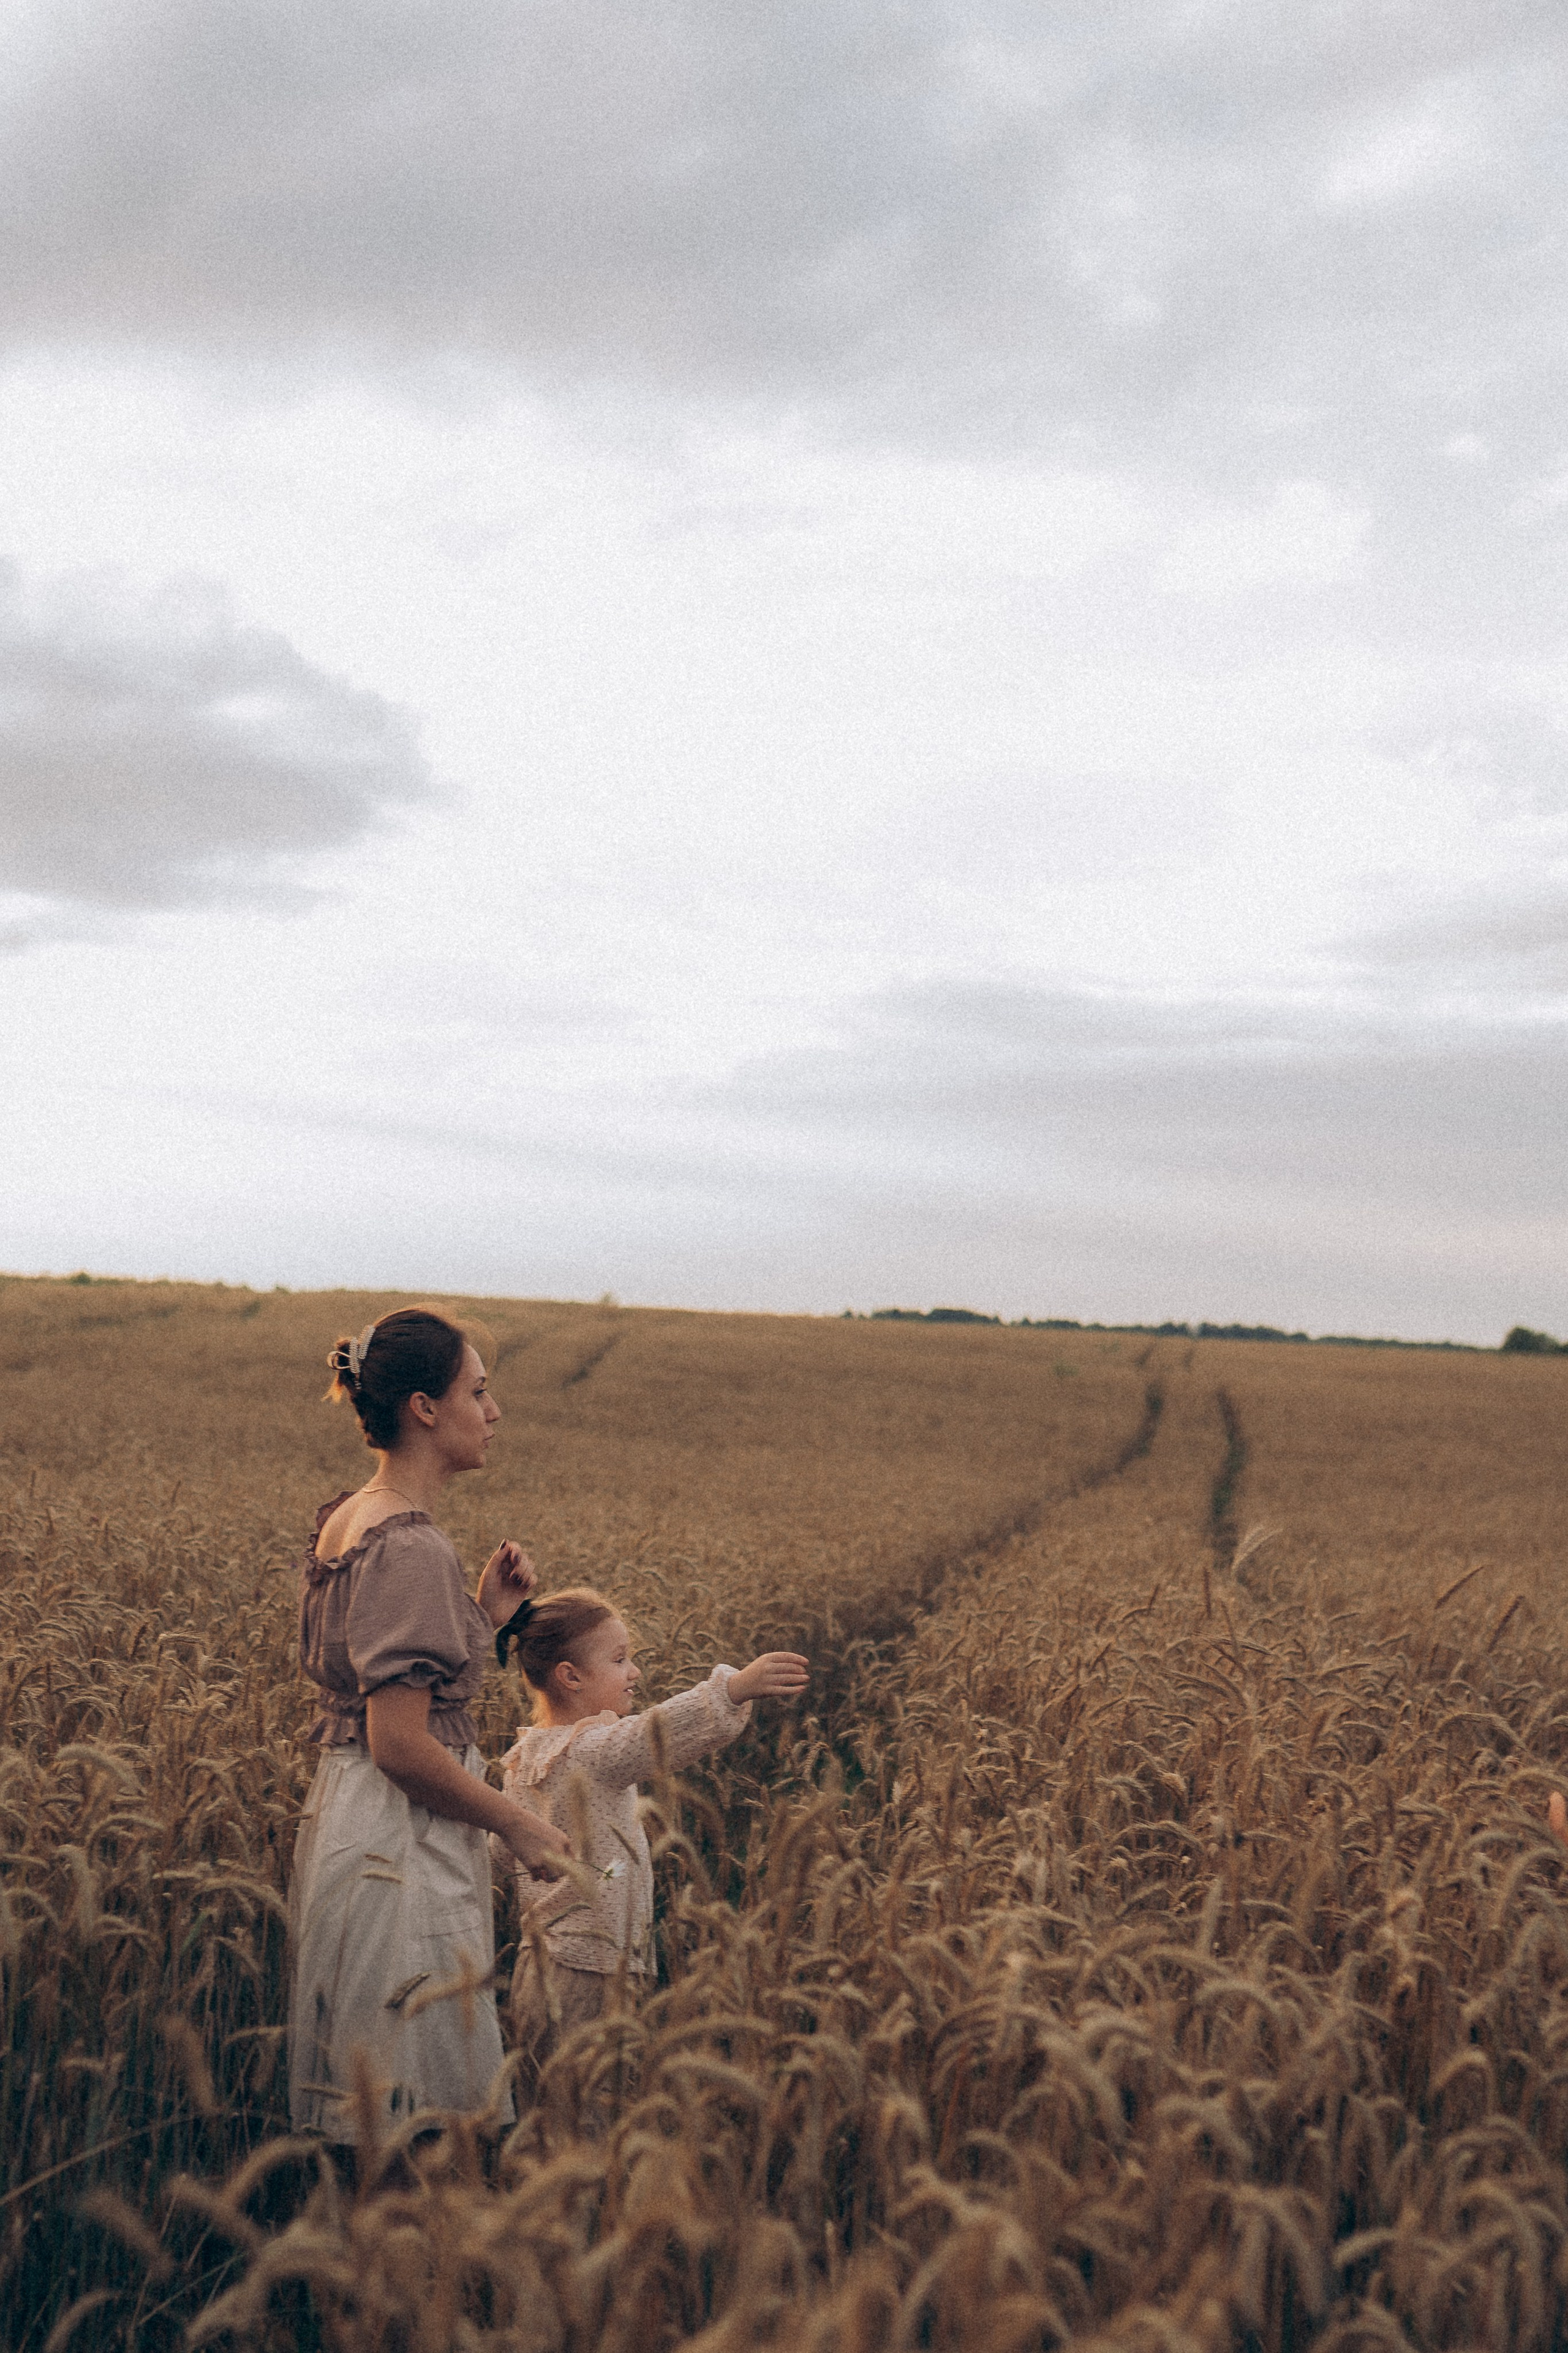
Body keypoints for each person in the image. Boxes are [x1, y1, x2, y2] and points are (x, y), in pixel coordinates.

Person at [288, 1305, 569, 2148]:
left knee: (378, 2104)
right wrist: (519, 1821)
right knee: (420, 2124)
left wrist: (482, 1617)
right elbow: (402, 1742)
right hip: (398, 1841)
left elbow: (394, 1689)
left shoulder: (351, 1518)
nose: (494, 1411)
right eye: (478, 1391)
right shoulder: (411, 1546)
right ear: (423, 1407)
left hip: (353, 1820)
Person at [496, 1590, 809, 2045]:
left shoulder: (523, 1758)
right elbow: (653, 1732)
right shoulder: (593, 1751)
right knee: (593, 2108)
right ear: (571, 1676)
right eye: (620, 1659)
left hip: (541, 1963)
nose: (635, 1671)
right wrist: (733, 1688)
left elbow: (505, 1854)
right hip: (592, 1971)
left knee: (549, 2098)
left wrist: (607, 1871)